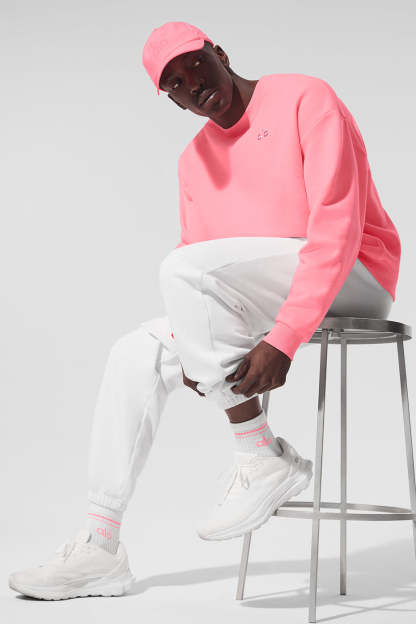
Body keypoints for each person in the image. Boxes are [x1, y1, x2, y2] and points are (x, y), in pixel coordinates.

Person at [8, 20, 401, 600]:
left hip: (354, 275)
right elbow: (202, 260)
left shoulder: (304, 97)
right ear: (172, 102)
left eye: (195, 63)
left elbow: (336, 228)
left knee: (182, 270)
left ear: (219, 52)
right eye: (174, 84)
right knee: (134, 353)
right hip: (268, 289)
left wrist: (285, 337)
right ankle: (100, 544)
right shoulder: (194, 161)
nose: (191, 84)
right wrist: (196, 341)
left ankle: (258, 452)